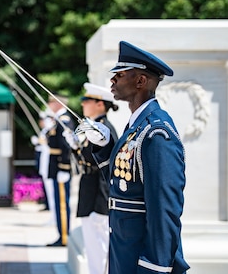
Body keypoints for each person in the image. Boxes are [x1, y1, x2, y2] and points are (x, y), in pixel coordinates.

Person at [79, 41, 190, 274]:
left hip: (142, 258)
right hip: (124, 250)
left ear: (140, 81)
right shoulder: (136, 126)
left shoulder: (157, 132)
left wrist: (155, 266)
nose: (112, 81)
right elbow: (124, 180)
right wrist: (105, 145)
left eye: (119, 75)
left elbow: (164, 209)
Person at [63, 83, 119, 274]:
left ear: (100, 104)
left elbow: (105, 169)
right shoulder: (93, 128)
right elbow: (87, 160)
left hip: (98, 195)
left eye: (88, 101)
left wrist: (100, 206)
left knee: (99, 249)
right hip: (89, 191)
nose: (84, 104)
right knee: (93, 248)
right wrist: (75, 147)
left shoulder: (103, 130)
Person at [45, 94, 75, 247]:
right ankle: (61, 234)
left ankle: (64, 236)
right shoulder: (57, 121)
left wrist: (64, 167)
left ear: (58, 104)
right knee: (58, 203)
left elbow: (66, 146)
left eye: (51, 101)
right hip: (56, 167)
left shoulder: (64, 121)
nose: (49, 104)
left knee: (62, 204)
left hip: (60, 168)